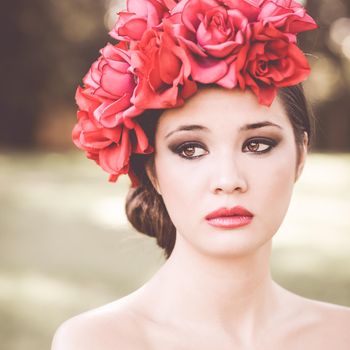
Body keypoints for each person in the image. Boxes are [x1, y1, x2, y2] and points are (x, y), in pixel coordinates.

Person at [52, 0, 350, 349]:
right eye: (190, 149)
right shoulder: (96, 342)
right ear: (153, 172)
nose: (228, 179)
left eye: (257, 144)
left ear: (300, 155)